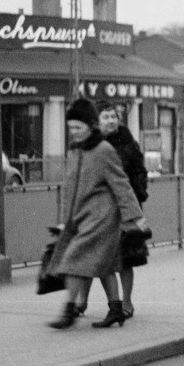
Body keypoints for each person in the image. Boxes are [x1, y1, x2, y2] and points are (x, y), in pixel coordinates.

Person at [48, 97, 146, 329]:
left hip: (102, 217)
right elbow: (69, 187)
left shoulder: (103, 150)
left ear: (90, 126)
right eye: (71, 128)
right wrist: (65, 220)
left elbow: (121, 184)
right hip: (82, 217)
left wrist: (136, 216)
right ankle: (115, 309)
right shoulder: (76, 150)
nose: (74, 132)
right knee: (105, 265)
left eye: (78, 127)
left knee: (74, 259)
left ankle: (69, 310)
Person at [96, 101, 148, 322]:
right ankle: (104, 303)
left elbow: (139, 171)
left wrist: (137, 195)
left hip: (125, 208)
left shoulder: (128, 142)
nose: (111, 121)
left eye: (113, 117)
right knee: (103, 259)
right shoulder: (93, 143)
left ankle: (126, 302)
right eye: (106, 117)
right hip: (101, 209)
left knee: (126, 259)